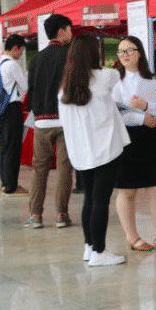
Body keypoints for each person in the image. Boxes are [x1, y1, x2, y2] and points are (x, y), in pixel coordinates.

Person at [59, 33, 130, 266]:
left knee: (89, 199)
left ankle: (89, 247)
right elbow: (118, 74)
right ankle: (100, 251)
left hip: (81, 153)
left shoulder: (64, 89)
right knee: (101, 201)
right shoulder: (104, 76)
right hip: (105, 149)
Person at [112, 36, 156, 253]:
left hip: (149, 138)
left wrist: (145, 105)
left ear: (139, 53)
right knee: (127, 191)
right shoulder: (114, 82)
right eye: (121, 51)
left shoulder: (152, 81)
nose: (125, 54)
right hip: (125, 138)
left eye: (129, 50)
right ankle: (132, 237)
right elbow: (114, 112)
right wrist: (141, 117)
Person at [26, 14, 75, 229]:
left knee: (40, 168)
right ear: (62, 31)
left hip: (42, 122)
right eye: (70, 29)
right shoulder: (69, 56)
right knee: (65, 168)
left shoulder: (36, 59)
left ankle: (35, 215)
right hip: (65, 120)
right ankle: (61, 215)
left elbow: (31, 91)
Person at [0, 34, 28, 196]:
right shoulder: (12, 64)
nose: (20, 54)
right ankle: (11, 186)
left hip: (1, 108)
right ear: (16, 48)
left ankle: (5, 182)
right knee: (13, 146)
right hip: (12, 108)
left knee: (5, 146)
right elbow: (25, 85)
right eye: (21, 51)